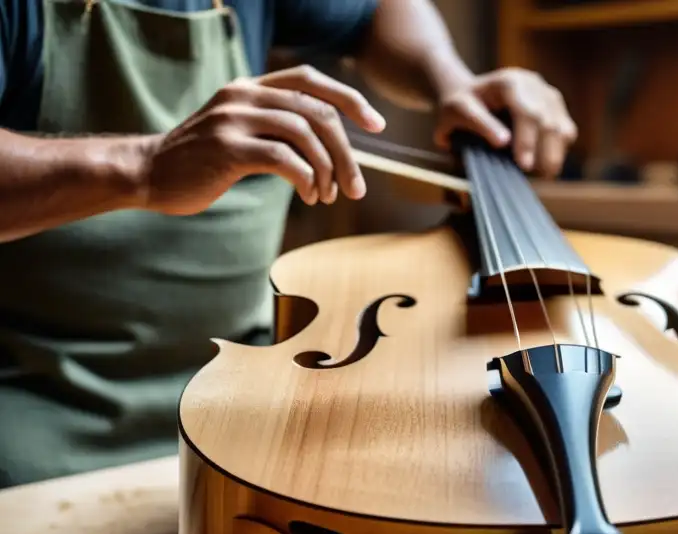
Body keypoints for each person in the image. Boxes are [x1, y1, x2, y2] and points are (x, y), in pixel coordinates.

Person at [0, 0, 577, 488]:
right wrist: (146, 168)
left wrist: (451, 78)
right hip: (37, 403)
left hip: (238, 381)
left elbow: (378, 10)